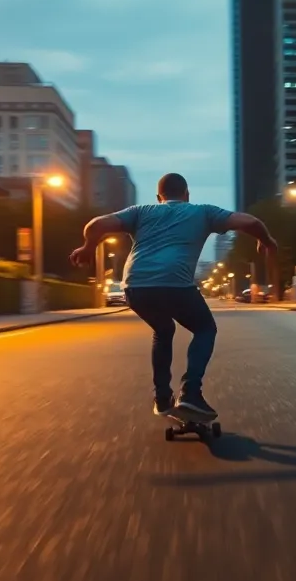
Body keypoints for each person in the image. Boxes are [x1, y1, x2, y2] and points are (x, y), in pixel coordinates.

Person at [70, 172, 277, 421]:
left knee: (163, 330)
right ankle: (190, 393)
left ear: (159, 197)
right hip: (176, 284)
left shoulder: (141, 211)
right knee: (205, 329)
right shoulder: (203, 212)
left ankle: (162, 397)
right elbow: (250, 222)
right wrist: (266, 241)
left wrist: (88, 247)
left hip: (136, 287)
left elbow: (95, 225)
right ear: (187, 194)